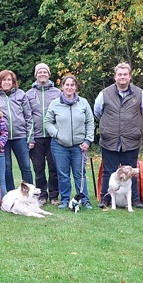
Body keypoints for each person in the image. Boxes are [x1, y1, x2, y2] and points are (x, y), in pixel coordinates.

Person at [93, 62, 143, 209]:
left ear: (130, 76)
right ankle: (105, 199)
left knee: (131, 170)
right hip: (109, 138)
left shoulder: (140, 94)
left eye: (125, 74)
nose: (122, 77)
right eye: (120, 74)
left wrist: (132, 126)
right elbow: (98, 112)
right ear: (115, 77)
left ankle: (135, 200)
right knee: (108, 170)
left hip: (131, 139)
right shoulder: (104, 94)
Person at [44, 75, 94, 210]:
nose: (69, 87)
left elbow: (90, 122)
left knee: (80, 174)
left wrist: (88, 140)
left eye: (72, 85)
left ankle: (84, 200)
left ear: (76, 87)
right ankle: (65, 200)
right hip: (59, 145)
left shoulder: (83, 103)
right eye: (67, 85)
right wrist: (57, 134)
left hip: (79, 146)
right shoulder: (55, 103)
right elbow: (47, 122)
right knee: (63, 174)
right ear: (62, 87)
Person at [26, 63, 62, 205]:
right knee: (39, 167)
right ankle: (42, 195)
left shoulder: (57, 93)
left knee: (54, 167)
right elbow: (27, 117)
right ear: (36, 75)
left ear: (49, 74)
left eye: (45, 72)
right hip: (37, 137)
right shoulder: (29, 94)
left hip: (53, 137)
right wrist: (30, 138)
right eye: (39, 72)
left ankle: (54, 195)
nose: (42, 74)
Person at [0, 69, 34, 191]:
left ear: (13, 82)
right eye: (4, 80)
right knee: (6, 167)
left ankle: (30, 193)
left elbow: (29, 117)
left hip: (20, 137)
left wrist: (30, 138)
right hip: (3, 139)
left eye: (9, 80)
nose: (6, 82)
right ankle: (10, 195)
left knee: (26, 166)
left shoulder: (21, 95)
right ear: (0, 82)